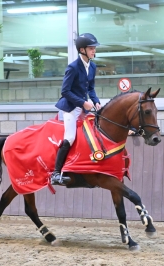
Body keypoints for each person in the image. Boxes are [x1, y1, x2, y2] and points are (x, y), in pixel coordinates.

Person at [51, 33, 102, 185]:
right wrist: (83, 103)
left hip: (83, 107)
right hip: (71, 108)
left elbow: (91, 88)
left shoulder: (92, 66)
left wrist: (96, 101)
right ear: (82, 50)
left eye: (94, 48)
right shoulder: (72, 67)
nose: (94, 51)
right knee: (71, 137)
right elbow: (65, 91)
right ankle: (55, 174)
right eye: (91, 48)